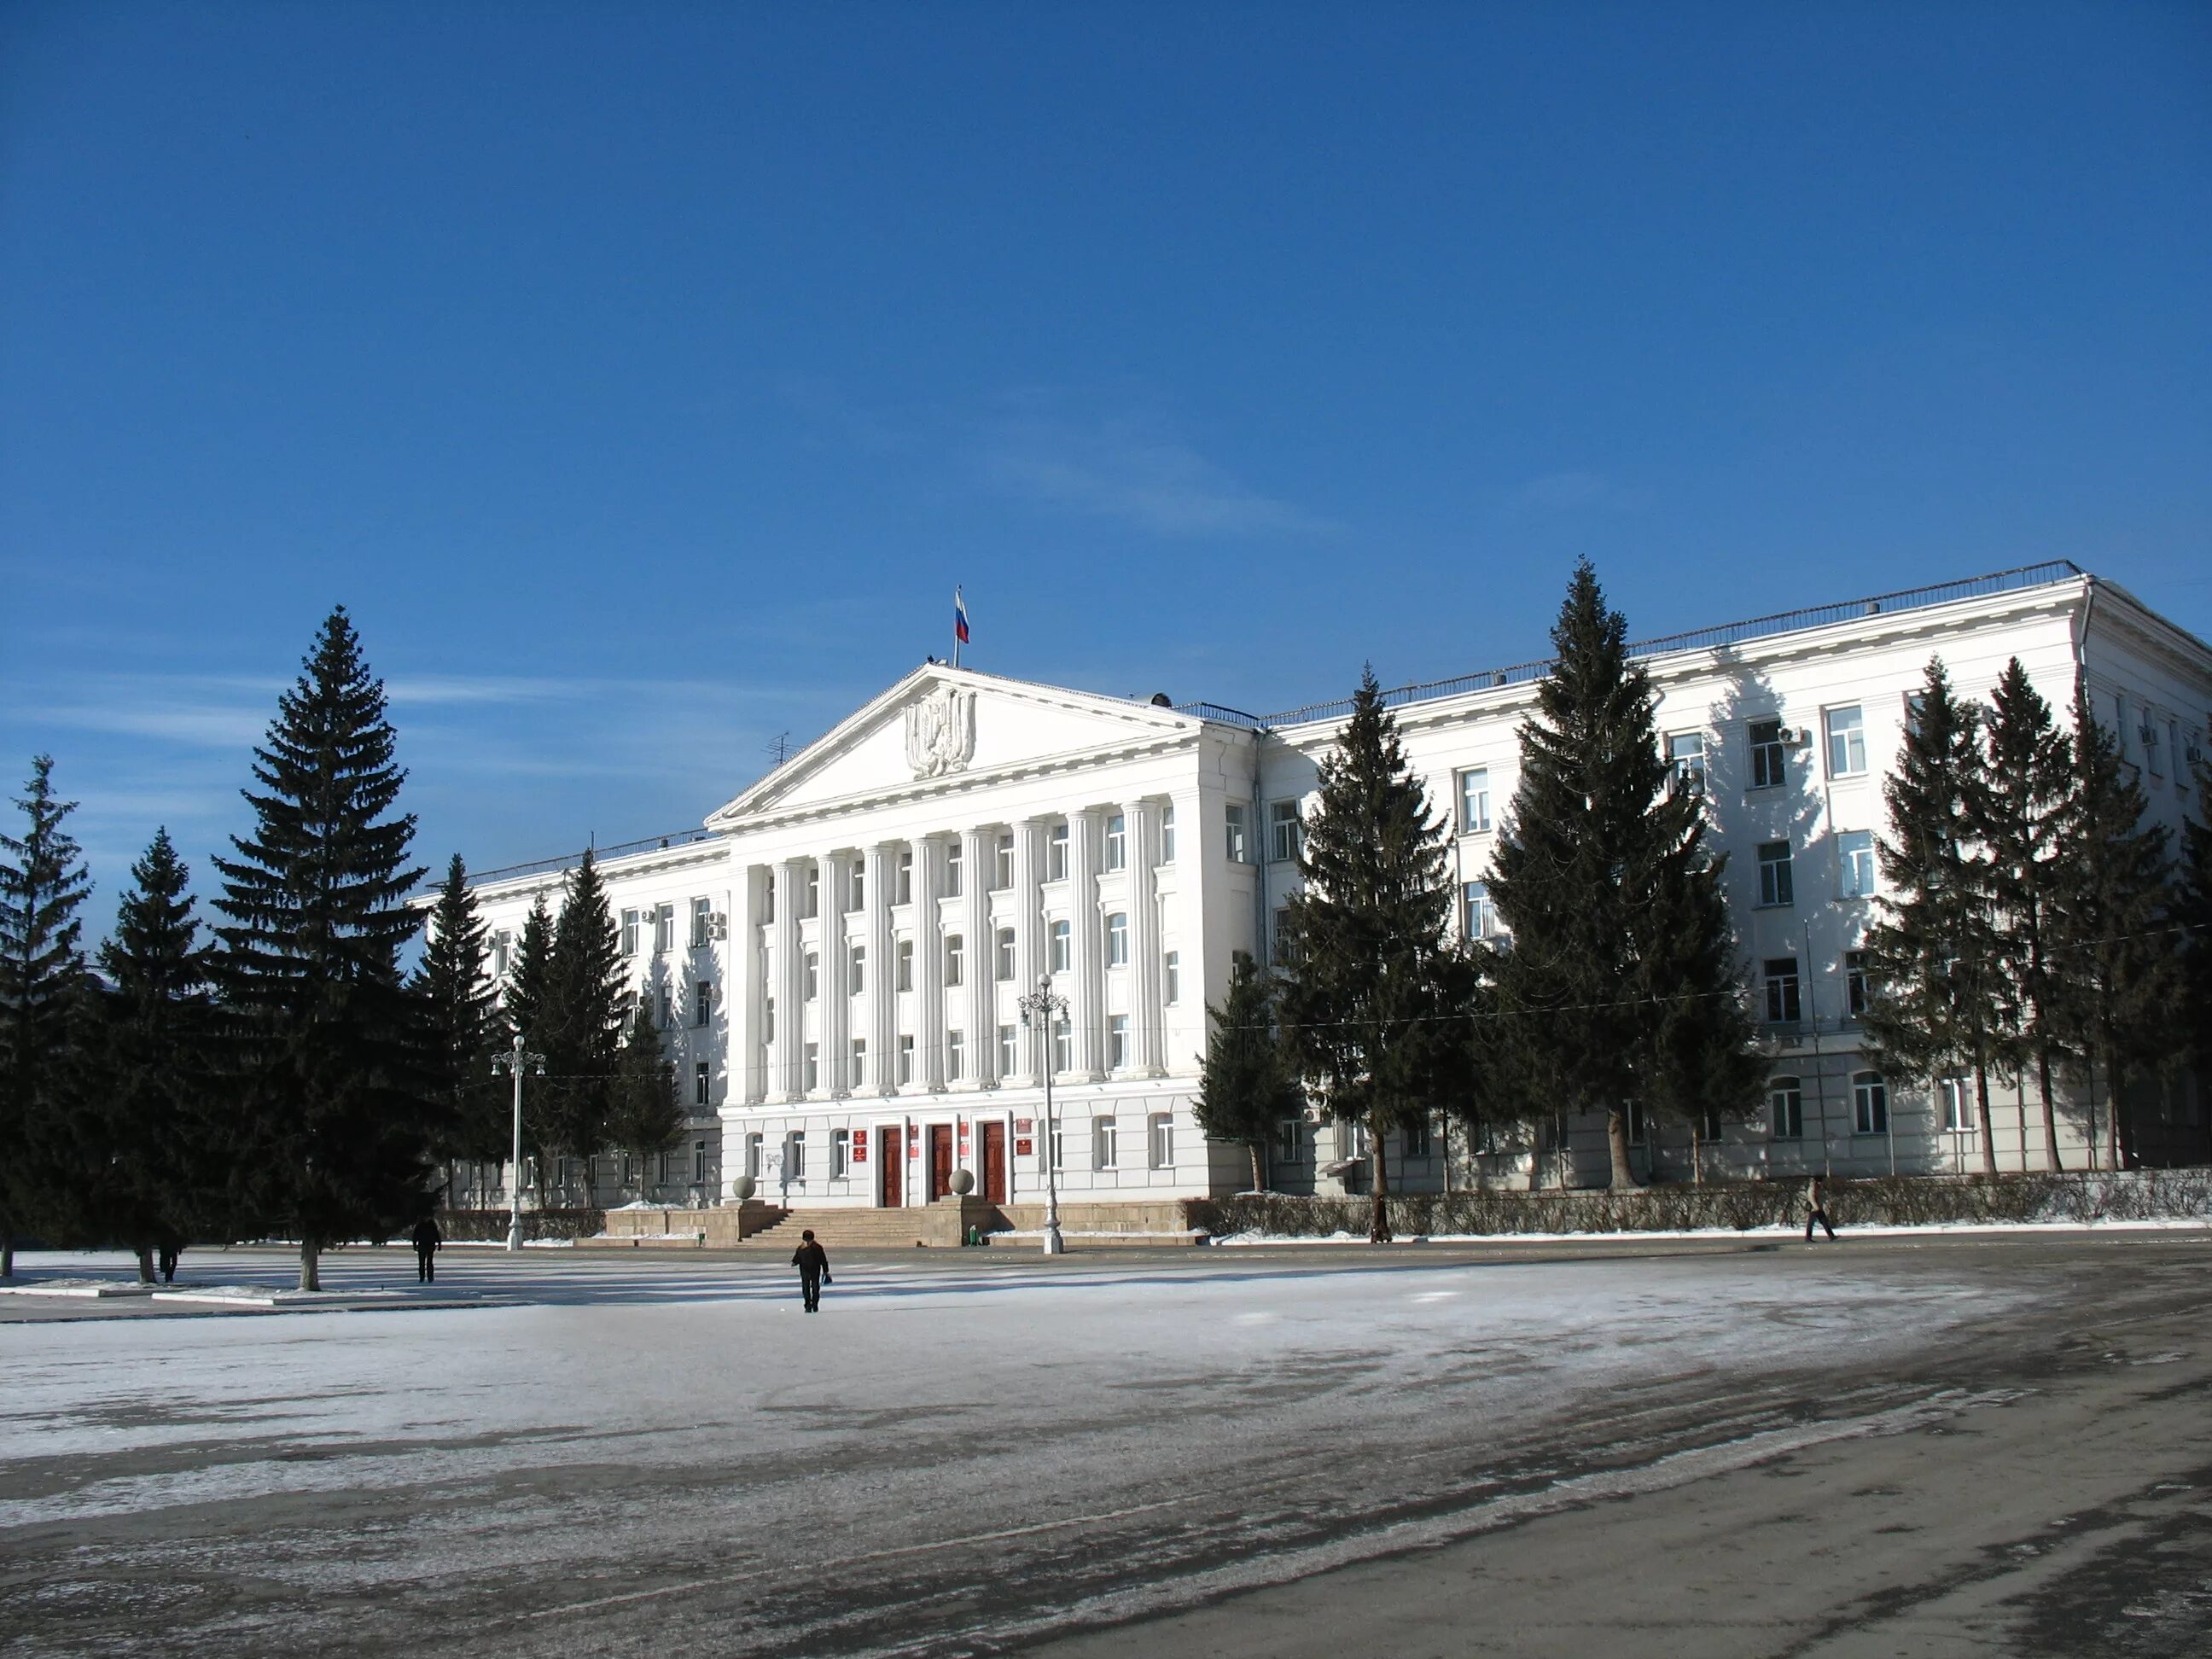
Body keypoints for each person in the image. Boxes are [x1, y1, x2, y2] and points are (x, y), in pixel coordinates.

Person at [792, 1228, 830, 1313]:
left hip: (813, 1270)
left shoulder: (816, 1248)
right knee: (807, 1288)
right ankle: (808, 1305)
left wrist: (825, 1271)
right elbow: (797, 1258)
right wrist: (794, 1262)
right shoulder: (802, 1248)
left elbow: (823, 1260)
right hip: (807, 1270)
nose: (807, 1242)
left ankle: (813, 1304)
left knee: (814, 1288)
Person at [1803, 1176, 1837, 1243]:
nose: (1821, 1183)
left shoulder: (1817, 1187)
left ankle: (1831, 1236)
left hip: (1818, 1208)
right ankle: (1808, 1238)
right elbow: (1811, 1198)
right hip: (1814, 1209)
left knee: (1824, 1222)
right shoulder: (1812, 1188)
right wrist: (1816, 1207)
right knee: (1811, 1223)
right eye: (1820, 1182)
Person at [411, 1214, 443, 1283]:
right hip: (422, 1246)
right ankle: (422, 1277)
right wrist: (414, 1245)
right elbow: (415, 1236)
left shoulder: (432, 1225)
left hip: (430, 1246)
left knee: (429, 1263)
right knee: (422, 1263)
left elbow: (437, 1235)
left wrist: (439, 1244)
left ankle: (430, 1277)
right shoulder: (420, 1225)